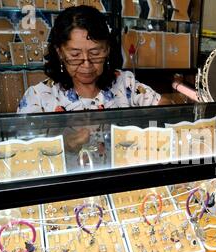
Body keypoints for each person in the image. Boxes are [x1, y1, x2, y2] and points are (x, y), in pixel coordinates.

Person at [17, 5, 167, 159]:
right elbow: (24, 154)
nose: (86, 64)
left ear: (107, 49)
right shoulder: (39, 96)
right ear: (60, 52)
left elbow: (166, 107)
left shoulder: (125, 83)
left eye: (95, 53)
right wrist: (64, 143)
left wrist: (140, 128)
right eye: (75, 55)